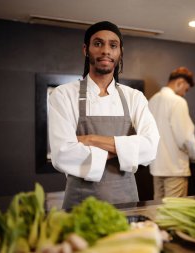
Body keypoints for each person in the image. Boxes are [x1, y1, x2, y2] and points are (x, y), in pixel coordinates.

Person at [48, 21, 160, 210]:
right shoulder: (63, 94)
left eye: (113, 45)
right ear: (86, 49)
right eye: (98, 43)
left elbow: (150, 148)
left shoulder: (134, 97)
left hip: (127, 202)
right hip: (80, 204)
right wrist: (126, 149)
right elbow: (62, 154)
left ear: (120, 52)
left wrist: (90, 139)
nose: (106, 50)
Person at [148, 67, 195, 199]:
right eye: (186, 89)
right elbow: (185, 138)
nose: (184, 93)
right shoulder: (178, 102)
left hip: (156, 168)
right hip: (175, 168)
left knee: (159, 210)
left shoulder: (152, 101)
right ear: (180, 82)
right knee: (173, 212)